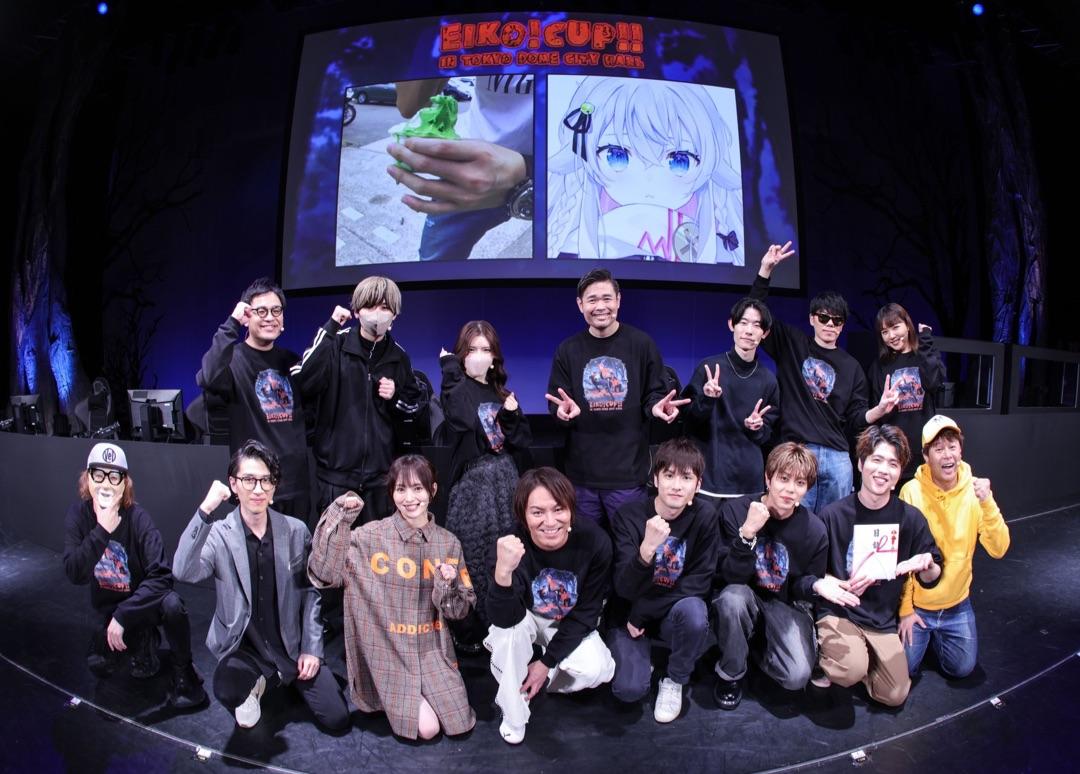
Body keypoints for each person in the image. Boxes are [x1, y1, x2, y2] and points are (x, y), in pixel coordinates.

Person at [173, 440, 349, 731]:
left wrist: (312, 648)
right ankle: (259, 682)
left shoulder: (295, 531)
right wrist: (206, 509)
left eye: (266, 480)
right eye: (249, 480)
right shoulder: (219, 534)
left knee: (337, 718)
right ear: (234, 484)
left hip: (291, 646)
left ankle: (279, 679)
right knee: (228, 689)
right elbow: (183, 570)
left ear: (274, 487)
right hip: (246, 650)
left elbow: (311, 594)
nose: (258, 489)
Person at [308, 455, 476, 740]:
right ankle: (389, 695)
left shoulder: (448, 543)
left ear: (433, 490)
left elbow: (459, 612)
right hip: (387, 652)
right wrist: (340, 517)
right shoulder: (368, 537)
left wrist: (446, 586)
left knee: (459, 723)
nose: (409, 498)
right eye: (401, 489)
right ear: (391, 493)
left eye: (418, 488)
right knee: (428, 729)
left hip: (432, 651)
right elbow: (322, 574)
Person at [749, 243, 900, 512]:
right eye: (824, 317)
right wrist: (765, 271)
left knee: (835, 525)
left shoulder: (852, 367)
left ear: (842, 326)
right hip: (797, 450)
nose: (830, 324)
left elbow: (856, 419)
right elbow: (756, 315)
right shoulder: (792, 344)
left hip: (837, 456)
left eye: (837, 320)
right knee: (792, 522)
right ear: (812, 319)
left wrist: (878, 410)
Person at [63, 442, 206, 708]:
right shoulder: (79, 515)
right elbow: (74, 573)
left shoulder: (139, 518)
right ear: (87, 478)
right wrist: (102, 531)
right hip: (110, 608)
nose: (105, 484)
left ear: (124, 483)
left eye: (114, 476)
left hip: (143, 605)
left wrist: (124, 615)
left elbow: (162, 576)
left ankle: (183, 669)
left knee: (173, 605)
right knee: (99, 663)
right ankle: (143, 641)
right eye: (98, 475)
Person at [546, 75, 744, 264]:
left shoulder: (717, 248)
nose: (649, 180)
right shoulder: (575, 244)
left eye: (680, 160)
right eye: (616, 155)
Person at [545, 268, 686, 528]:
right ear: (580, 305)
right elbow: (557, 401)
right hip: (582, 479)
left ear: (618, 300)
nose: (600, 306)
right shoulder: (567, 350)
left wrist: (656, 407)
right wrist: (562, 413)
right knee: (586, 546)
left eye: (607, 298)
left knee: (630, 545)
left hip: (628, 478)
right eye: (592, 300)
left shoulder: (642, 344)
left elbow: (654, 393)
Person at [814, 425, 943, 707]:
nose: (883, 470)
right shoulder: (832, 515)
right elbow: (811, 573)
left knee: (895, 695)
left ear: (899, 474)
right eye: (876, 460)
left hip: (881, 620)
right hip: (840, 613)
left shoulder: (910, 518)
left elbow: (933, 574)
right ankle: (833, 656)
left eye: (893, 464)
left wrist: (926, 564)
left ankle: (861, 657)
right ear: (861, 464)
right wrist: (830, 581)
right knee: (849, 669)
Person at [486, 467, 616, 745]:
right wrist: (503, 573)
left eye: (558, 509)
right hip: (524, 618)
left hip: (567, 620)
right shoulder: (510, 546)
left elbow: (587, 613)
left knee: (598, 670)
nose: (550, 521)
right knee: (506, 640)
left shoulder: (595, 541)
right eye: (537, 512)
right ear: (523, 516)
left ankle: (541, 677)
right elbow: (503, 619)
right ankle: (514, 710)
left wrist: (546, 664)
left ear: (570, 510)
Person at [290, 275, 428, 520]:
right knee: (333, 544)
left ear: (395, 315)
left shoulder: (399, 357)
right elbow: (303, 380)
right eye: (370, 306)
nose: (377, 314)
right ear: (356, 311)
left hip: (380, 481)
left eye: (384, 308)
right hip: (334, 479)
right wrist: (330, 327)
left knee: (378, 546)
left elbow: (414, 407)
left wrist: (394, 396)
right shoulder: (336, 343)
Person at [607, 439, 717, 723]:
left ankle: (675, 679)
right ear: (656, 479)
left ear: (698, 484)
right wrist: (646, 550)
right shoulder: (629, 516)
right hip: (629, 616)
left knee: (695, 612)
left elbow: (700, 582)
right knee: (628, 691)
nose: (676, 486)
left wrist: (645, 610)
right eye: (669, 475)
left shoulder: (704, 516)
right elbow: (623, 587)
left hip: (660, 613)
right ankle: (641, 661)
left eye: (686, 478)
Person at [711, 443, 827, 710]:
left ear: (807, 488)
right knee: (732, 600)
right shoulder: (736, 511)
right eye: (783, 479)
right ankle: (731, 673)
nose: (790, 489)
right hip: (743, 593)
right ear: (768, 478)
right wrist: (747, 533)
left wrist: (817, 585)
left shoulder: (815, 530)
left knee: (797, 676)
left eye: (799, 483)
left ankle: (754, 649)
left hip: (785, 604)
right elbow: (729, 575)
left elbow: (802, 587)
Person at [439, 320, 532, 645]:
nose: (479, 355)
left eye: (485, 349)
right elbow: (462, 418)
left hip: (505, 484)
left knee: (506, 556)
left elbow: (521, 441)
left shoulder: (501, 393)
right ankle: (473, 632)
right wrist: (451, 371)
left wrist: (511, 415)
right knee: (473, 559)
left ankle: (505, 627)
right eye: (472, 349)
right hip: (473, 488)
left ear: (495, 357)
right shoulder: (455, 389)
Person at [898, 415, 1010, 679]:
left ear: (960, 451)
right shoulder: (911, 492)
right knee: (904, 670)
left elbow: (999, 549)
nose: (947, 454)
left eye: (952, 446)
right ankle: (924, 637)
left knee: (962, 669)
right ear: (926, 456)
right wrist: (905, 611)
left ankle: (937, 639)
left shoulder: (976, 491)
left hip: (957, 605)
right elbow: (902, 556)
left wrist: (988, 502)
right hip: (919, 606)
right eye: (938, 449)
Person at [197, 277, 311, 523]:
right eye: (261, 311)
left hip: (295, 484)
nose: (270, 317)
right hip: (255, 485)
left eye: (276, 310)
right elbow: (209, 375)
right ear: (247, 316)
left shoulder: (292, 362)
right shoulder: (233, 361)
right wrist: (232, 323)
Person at [388, 74, 534, 261]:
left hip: (556, 172)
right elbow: (409, 105)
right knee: (434, 265)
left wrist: (528, 171)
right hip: (472, 169)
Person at [683, 297, 780, 499]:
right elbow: (688, 421)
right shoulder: (709, 368)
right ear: (731, 325)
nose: (749, 331)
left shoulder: (769, 380)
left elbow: (769, 436)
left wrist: (757, 428)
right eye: (743, 322)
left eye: (757, 325)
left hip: (749, 482)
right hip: (709, 478)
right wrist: (707, 399)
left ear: (765, 333)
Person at [868, 303, 946, 484]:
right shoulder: (879, 366)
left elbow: (933, 383)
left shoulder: (925, 355)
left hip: (924, 451)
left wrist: (925, 340)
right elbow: (876, 412)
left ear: (907, 325)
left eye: (895, 327)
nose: (891, 336)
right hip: (893, 453)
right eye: (885, 332)